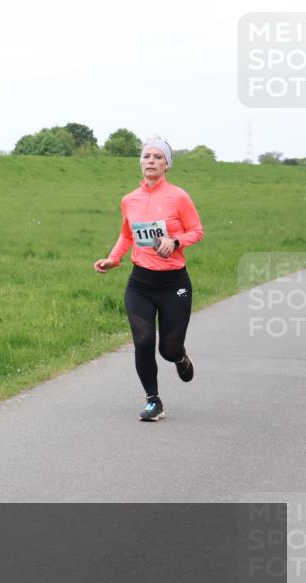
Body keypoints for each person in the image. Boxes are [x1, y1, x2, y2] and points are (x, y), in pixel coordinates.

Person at [94, 137, 204, 421]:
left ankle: (179, 357)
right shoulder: (129, 199)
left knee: (167, 350)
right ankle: (153, 400)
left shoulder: (178, 197)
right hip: (140, 284)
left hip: (174, 284)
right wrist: (113, 258)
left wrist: (175, 242)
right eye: (146, 157)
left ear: (167, 164)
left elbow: (197, 230)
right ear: (141, 163)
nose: (151, 161)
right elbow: (127, 235)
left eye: (157, 157)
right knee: (143, 341)